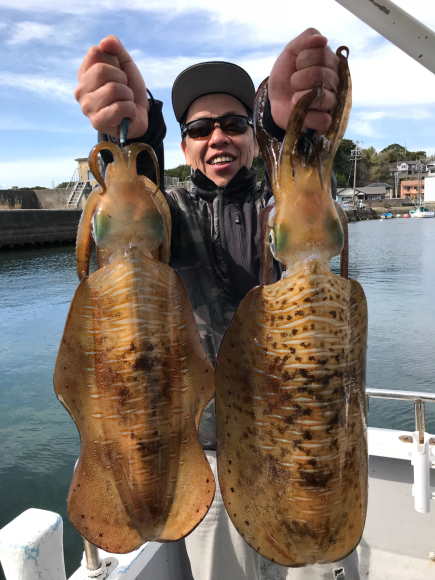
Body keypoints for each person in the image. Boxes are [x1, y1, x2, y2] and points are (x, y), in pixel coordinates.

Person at [75, 28, 340, 580]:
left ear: (249, 135)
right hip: (202, 454)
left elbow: (302, 205)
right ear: (183, 144)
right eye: (200, 128)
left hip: (295, 440)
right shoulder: (169, 213)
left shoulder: (274, 209)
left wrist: (289, 125)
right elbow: (139, 228)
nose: (217, 137)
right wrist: (137, 129)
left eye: (235, 124)